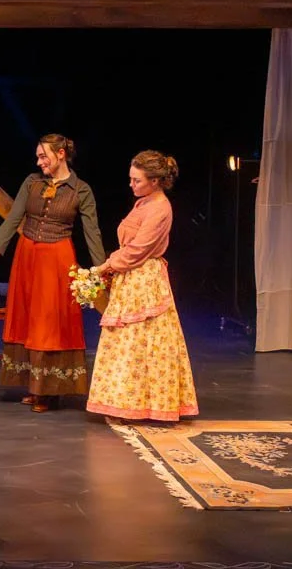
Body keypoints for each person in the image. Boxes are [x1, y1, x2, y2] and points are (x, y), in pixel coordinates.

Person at [0, 134, 105, 412]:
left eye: (43, 156)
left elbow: (91, 231)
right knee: (27, 318)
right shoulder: (32, 182)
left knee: (50, 321)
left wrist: (100, 269)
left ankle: (49, 390)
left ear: (61, 154)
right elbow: (13, 218)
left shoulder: (80, 189)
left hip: (57, 258)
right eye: (37, 156)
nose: (39, 161)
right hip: (27, 256)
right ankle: (34, 387)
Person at [85, 150, 199, 422]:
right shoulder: (143, 203)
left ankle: (142, 406)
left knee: (142, 342)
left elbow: (139, 250)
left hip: (144, 279)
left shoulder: (160, 208)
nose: (131, 185)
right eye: (131, 179)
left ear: (156, 181)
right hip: (131, 278)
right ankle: (122, 403)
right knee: (125, 343)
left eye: (137, 180)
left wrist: (105, 266)